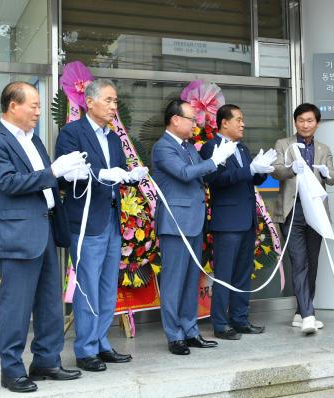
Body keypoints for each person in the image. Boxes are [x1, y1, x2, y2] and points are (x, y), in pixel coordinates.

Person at [0, 82, 85, 392]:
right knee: (16, 307)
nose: (38, 112)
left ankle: (46, 361)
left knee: (49, 304)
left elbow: (45, 182)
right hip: (17, 235)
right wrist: (54, 171)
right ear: (13, 106)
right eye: (34, 106)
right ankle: (11, 370)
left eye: (40, 106)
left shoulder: (35, 140)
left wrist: (66, 178)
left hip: (45, 230)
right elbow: (9, 182)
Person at [55, 79, 147, 372]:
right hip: (85, 221)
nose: (113, 106)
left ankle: (101, 342)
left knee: (108, 286)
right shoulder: (72, 133)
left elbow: (117, 174)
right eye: (108, 100)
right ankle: (85, 349)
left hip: (111, 219)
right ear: (89, 102)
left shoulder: (113, 138)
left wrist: (130, 176)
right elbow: (68, 173)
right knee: (88, 286)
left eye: (115, 101)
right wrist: (103, 173)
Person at [151, 100, 236, 355]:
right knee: (173, 282)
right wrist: (213, 160)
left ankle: (190, 330)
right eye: (191, 118)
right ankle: (174, 334)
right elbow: (185, 173)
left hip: (194, 221)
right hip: (176, 223)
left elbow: (202, 176)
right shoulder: (163, 147)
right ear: (175, 120)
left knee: (190, 281)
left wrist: (220, 162)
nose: (195, 123)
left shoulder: (187, 147)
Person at [200, 104, 274, 340]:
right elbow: (215, 179)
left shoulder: (241, 147)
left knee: (243, 272)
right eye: (239, 120)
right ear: (224, 123)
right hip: (227, 221)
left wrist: (261, 170)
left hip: (247, 219)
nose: (243, 124)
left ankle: (240, 319)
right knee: (224, 274)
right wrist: (249, 170)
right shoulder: (212, 147)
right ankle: (220, 323)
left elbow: (249, 178)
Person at [271, 103, 334, 334]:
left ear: (317, 123)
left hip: (316, 212)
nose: (305, 124)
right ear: (295, 122)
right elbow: (276, 170)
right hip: (292, 210)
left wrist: (329, 175)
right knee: (299, 262)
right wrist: (291, 168)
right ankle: (309, 315)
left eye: (310, 120)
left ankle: (301, 311)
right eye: (301, 120)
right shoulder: (283, 144)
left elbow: (333, 177)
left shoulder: (323, 148)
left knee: (312, 264)